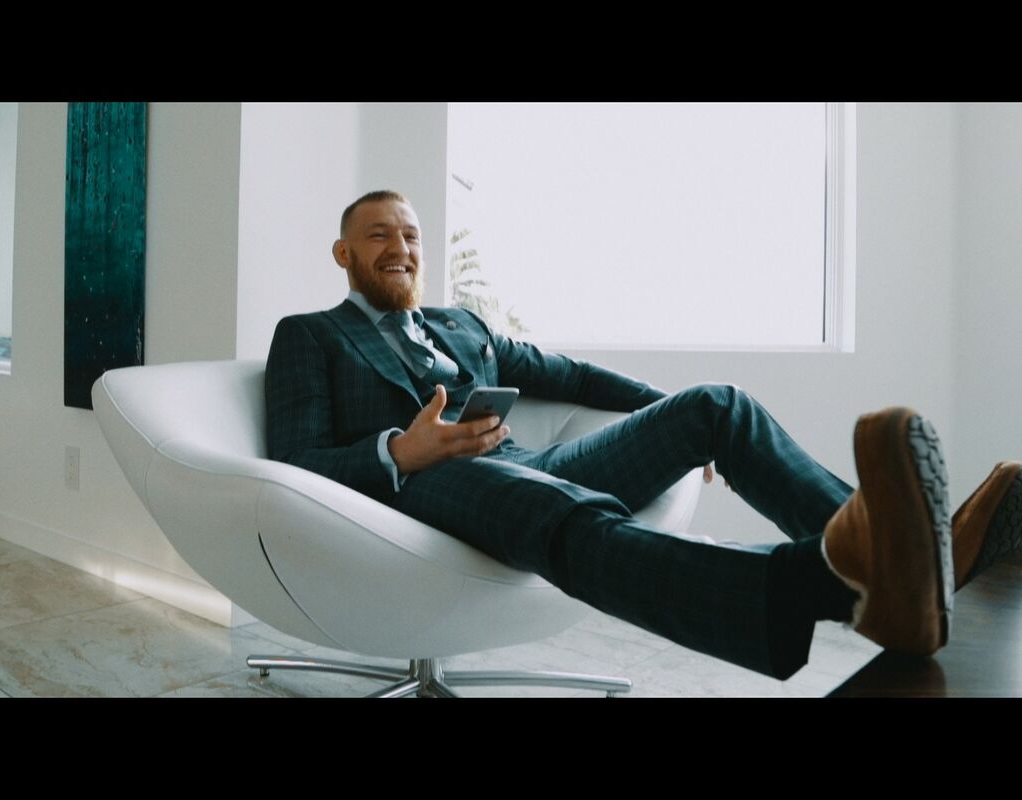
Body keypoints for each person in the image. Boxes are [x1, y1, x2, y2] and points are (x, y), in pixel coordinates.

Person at [264, 189, 1022, 679]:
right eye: (378, 235)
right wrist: (404, 451)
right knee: (547, 503)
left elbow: (573, 376)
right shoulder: (311, 334)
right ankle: (833, 581)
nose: (400, 247)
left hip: (532, 463)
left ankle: (897, 560)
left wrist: (672, 414)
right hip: (424, 490)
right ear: (344, 253)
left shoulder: (461, 324)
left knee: (716, 405)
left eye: (410, 234)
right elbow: (295, 457)